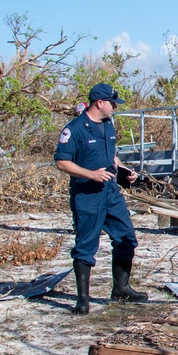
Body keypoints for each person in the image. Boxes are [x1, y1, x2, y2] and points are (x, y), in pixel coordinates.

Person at [54, 83, 148, 314]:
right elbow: (61, 162)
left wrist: (126, 172)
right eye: (112, 102)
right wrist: (90, 174)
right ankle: (83, 301)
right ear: (100, 103)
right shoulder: (74, 129)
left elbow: (110, 158)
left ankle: (121, 288)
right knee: (86, 246)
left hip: (110, 193)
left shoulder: (108, 126)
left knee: (126, 238)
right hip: (87, 195)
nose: (115, 106)